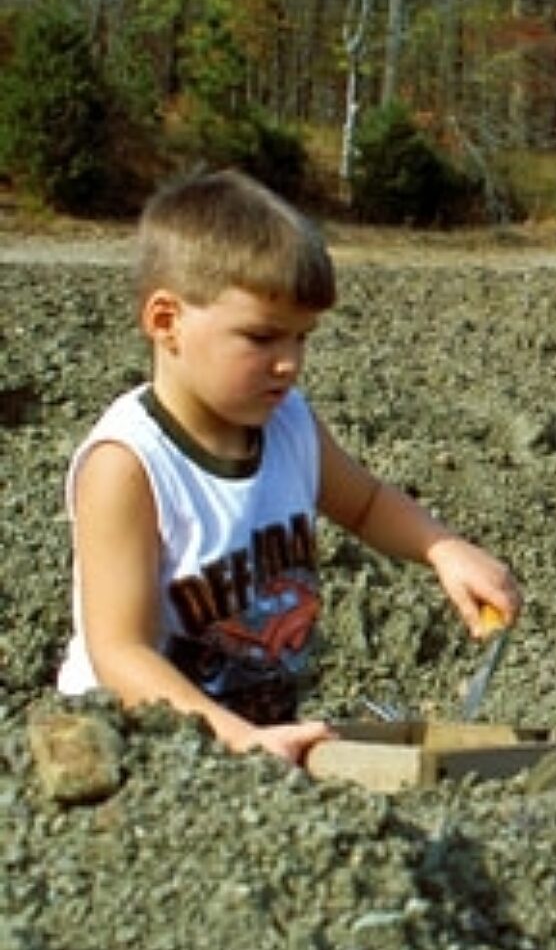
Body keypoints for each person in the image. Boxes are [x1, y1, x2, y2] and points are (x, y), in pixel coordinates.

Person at [57, 170, 523, 765]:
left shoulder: (288, 424)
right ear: (166, 321)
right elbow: (119, 652)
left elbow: (366, 503)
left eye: (303, 339)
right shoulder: (129, 464)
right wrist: (236, 738)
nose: (289, 365)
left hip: (257, 733)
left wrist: (442, 548)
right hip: (141, 747)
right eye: (261, 338)